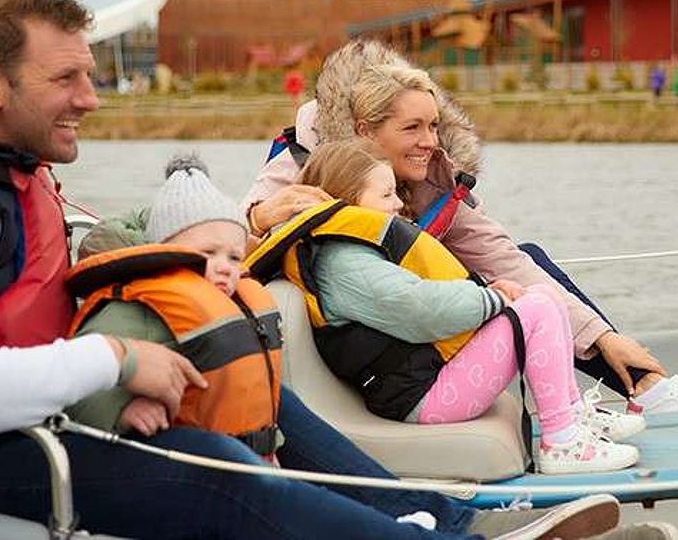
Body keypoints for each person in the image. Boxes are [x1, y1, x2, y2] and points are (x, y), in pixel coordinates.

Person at [0, 0, 644, 540]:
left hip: (18, 402)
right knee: (228, 474)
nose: (91, 98)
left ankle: (440, 523)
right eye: (66, 77)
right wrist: (116, 361)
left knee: (245, 366)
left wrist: (156, 323)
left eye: (90, 74)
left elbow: (40, 292)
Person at [243, 41, 678, 414]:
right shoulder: (302, 165)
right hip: (375, 344)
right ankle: (577, 413)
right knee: (512, 294)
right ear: (365, 129)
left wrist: (604, 336)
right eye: (413, 129)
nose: (429, 142)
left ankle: (638, 384)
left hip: (412, 325)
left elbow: (506, 257)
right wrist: (259, 218)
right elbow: (229, 243)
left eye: (433, 126)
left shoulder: (432, 182)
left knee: (528, 262)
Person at [263, 138, 645, 474]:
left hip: (421, 380)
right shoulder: (343, 263)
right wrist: (493, 299)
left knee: (542, 298)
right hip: (418, 398)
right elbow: (419, 311)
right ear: (345, 200)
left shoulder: (349, 248)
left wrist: (495, 293)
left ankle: (571, 416)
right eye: (385, 196)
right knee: (536, 310)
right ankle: (561, 442)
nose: (398, 203)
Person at [65, 153, 283, 461]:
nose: (224, 267)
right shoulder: (134, 309)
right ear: (166, 253)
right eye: (207, 253)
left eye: (234, 257)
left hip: (252, 456)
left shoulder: (234, 305)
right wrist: (122, 411)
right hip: (187, 460)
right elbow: (80, 378)